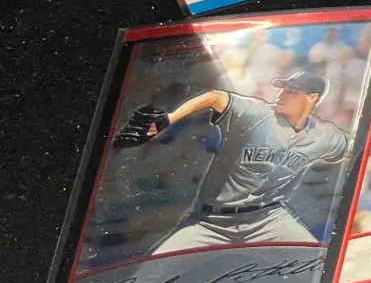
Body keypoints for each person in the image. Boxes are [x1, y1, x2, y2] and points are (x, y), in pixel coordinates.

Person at [113, 69, 350, 252]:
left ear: (312, 97)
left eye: (291, 91)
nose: (281, 94)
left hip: (268, 220)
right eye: (282, 89)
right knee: (148, 279)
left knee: (314, 269)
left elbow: (356, 150)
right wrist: (169, 119)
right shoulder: (257, 114)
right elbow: (215, 97)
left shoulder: (325, 136)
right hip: (210, 222)